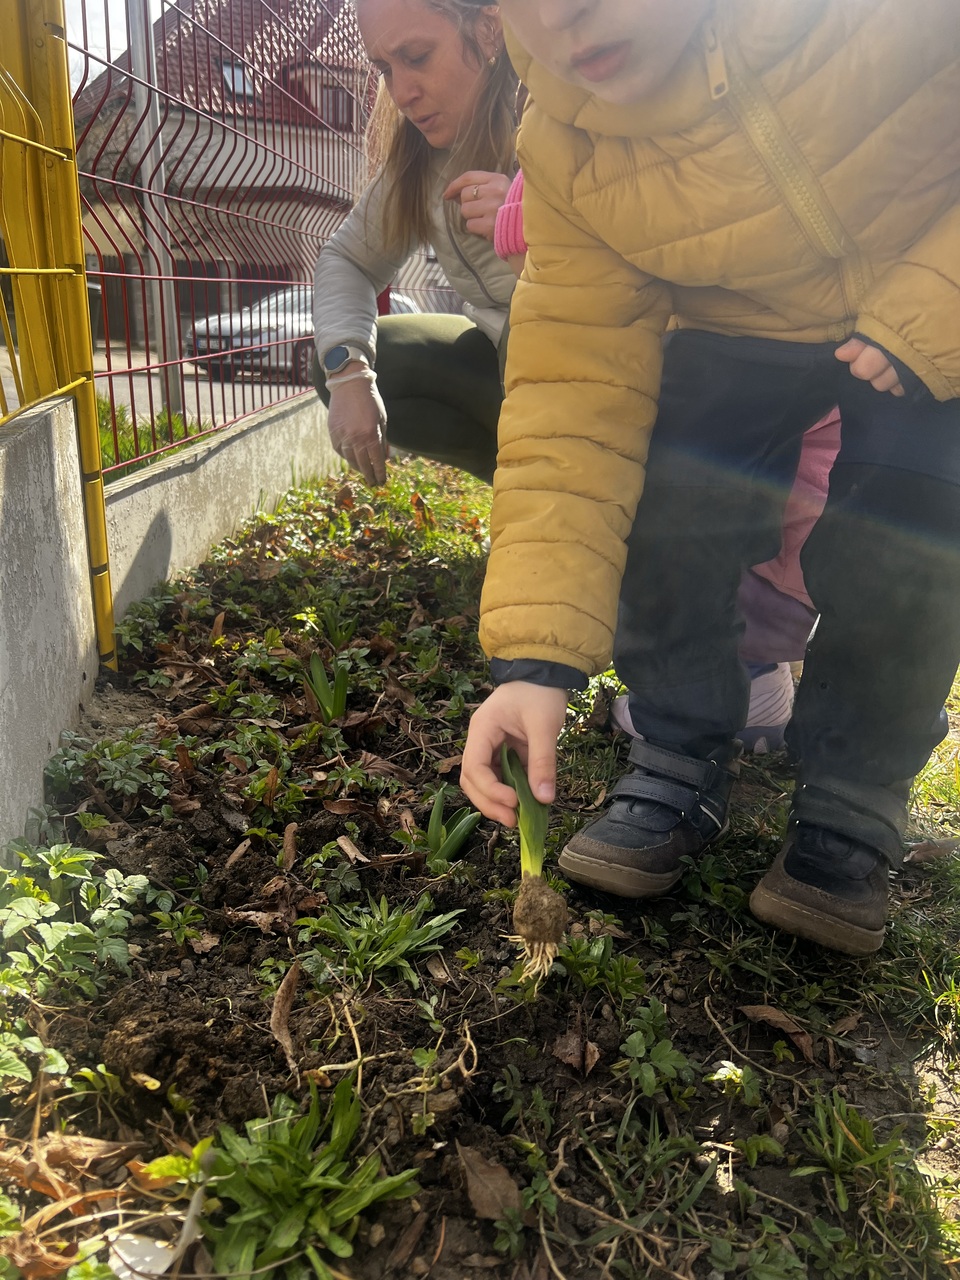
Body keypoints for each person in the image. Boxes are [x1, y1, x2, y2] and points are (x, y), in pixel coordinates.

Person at [461, 0, 960, 957]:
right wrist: (534, 665)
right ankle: (678, 746)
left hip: (927, 280)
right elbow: (572, 404)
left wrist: (941, 301)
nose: (560, 14)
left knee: (916, 517)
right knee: (667, 484)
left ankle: (854, 794)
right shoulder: (570, 144)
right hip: (743, 318)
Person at [493, 169, 843, 755]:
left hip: (782, 573)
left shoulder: (704, 352)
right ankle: (753, 669)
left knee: (648, 496)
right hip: (795, 571)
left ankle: (747, 672)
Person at [311, 0, 519, 486]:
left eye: (418, 57)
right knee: (342, 362)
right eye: (385, 69)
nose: (401, 93)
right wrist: (349, 373)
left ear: (488, 28)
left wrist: (534, 221)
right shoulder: (419, 159)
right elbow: (348, 258)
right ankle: (517, 485)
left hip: (600, 362)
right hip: (503, 358)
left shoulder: (558, 109)